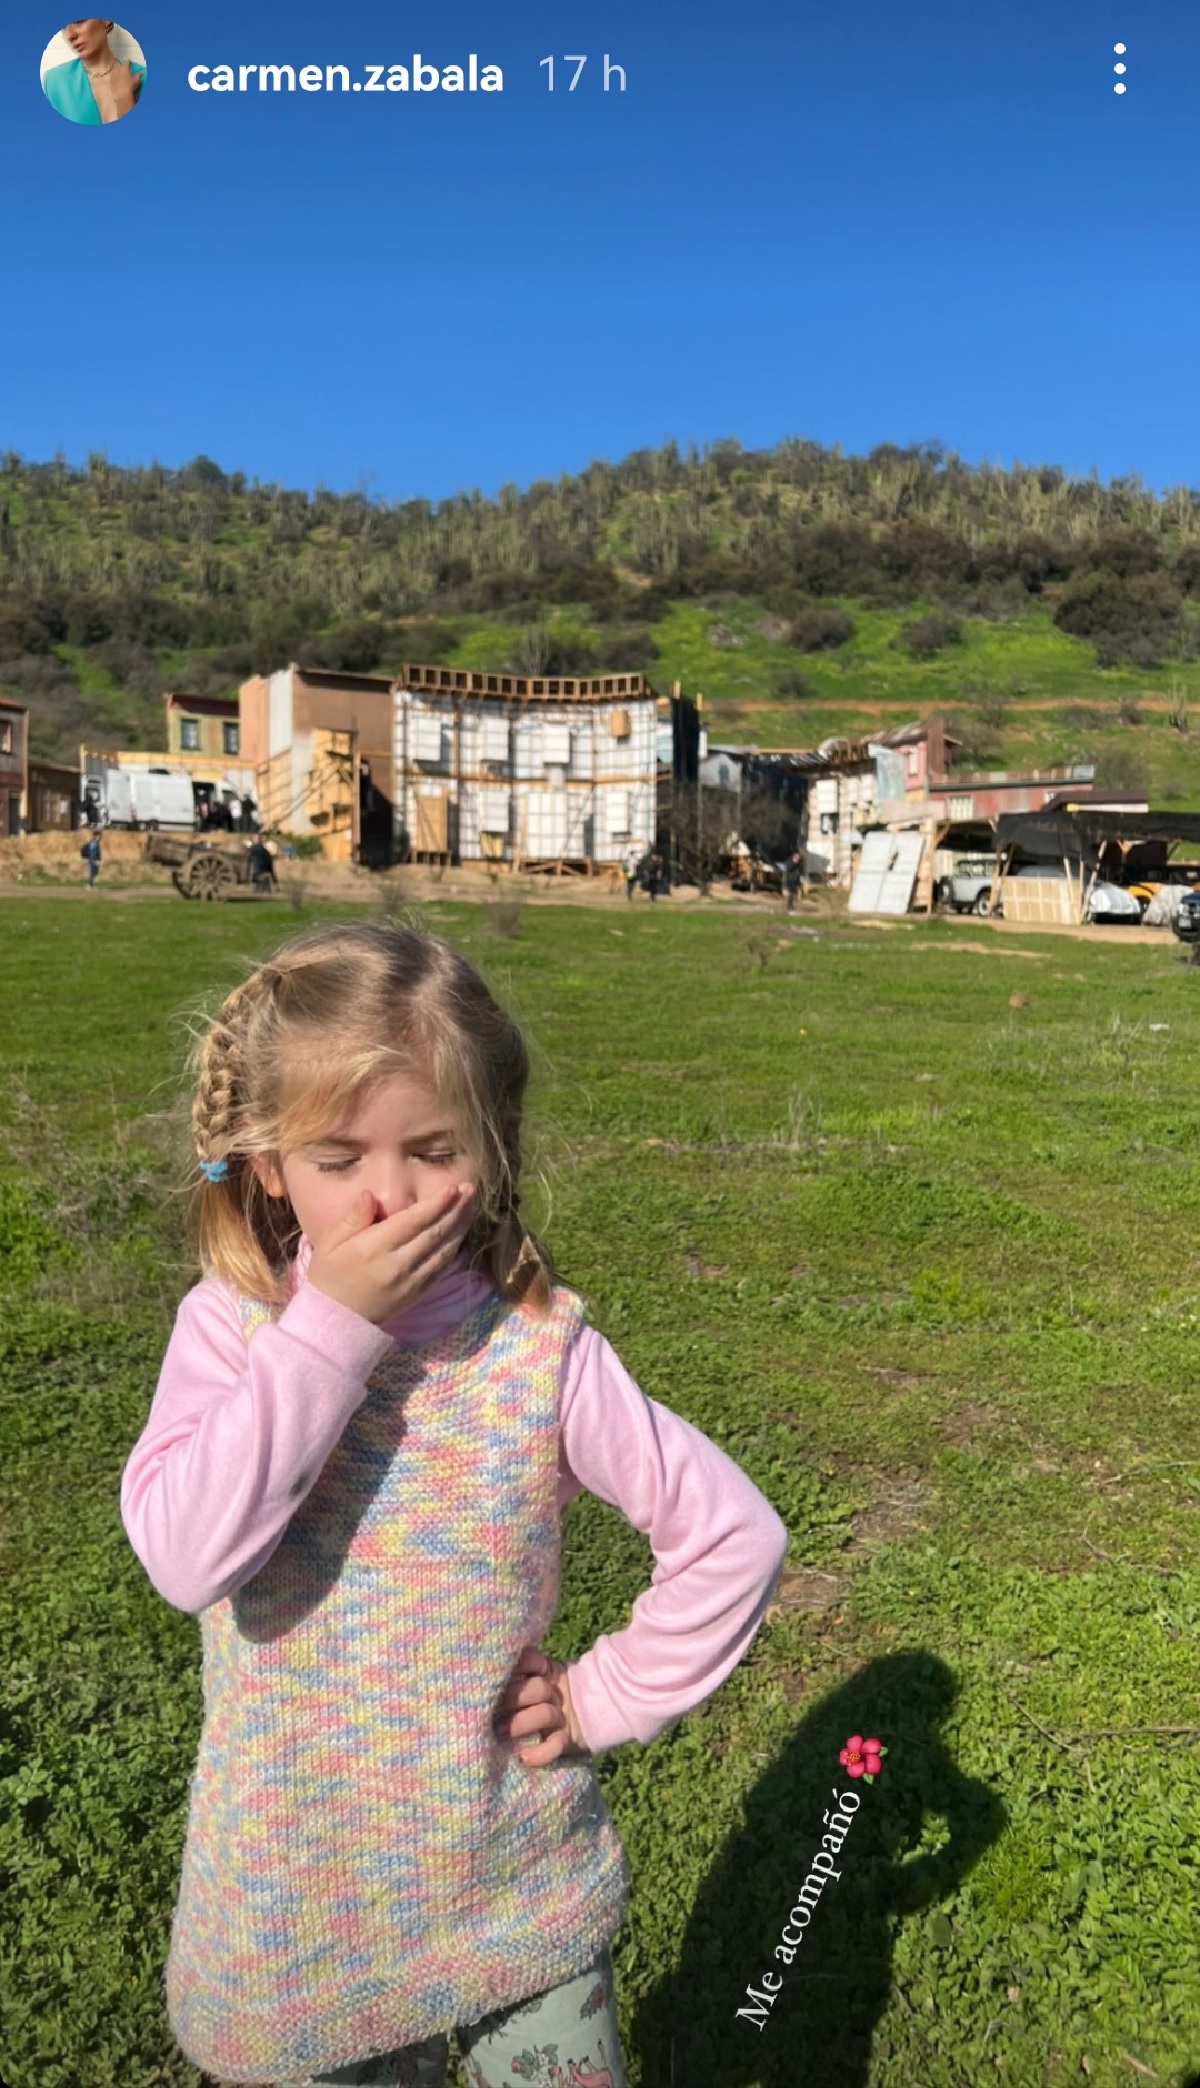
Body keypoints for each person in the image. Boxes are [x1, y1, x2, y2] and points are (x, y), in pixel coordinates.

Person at [119, 924, 788, 2088]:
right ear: (268, 1165)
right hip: (296, 1926)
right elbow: (185, 1557)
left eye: (432, 1150)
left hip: (512, 1893)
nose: (389, 1199)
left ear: (491, 1146)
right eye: (338, 1159)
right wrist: (330, 1329)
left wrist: (603, 1695)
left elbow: (735, 1534)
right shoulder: (231, 1332)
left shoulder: (538, 1354)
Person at [42, 20, 146, 125]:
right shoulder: (53, 82)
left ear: (106, 21)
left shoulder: (143, 78)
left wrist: (125, 101)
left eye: (79, 21)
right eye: (63, 27)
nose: (70, 35)